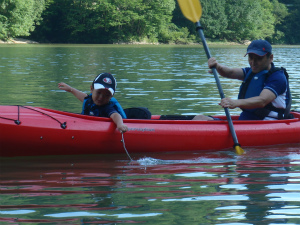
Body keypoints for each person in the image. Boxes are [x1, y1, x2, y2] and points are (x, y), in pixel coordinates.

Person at [193, 39, 291, 121]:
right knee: (199, 118)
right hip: (247, 121)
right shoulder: (251, 72)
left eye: (258, 58)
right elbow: (230, 72)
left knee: (200, 120)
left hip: (267, 123)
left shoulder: (278, 78)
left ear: (270, 58)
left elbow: (262, 100)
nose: (253, 62)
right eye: (250, 58)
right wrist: (217, 66)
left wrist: (235, 103)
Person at [58, 72, 128, 133]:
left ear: (111, 96)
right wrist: (70, 89)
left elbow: (115, 115)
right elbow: (83, 97)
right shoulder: (90, 100)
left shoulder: (107, 107)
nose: (101, 97)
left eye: (106, 95)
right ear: (91, 89)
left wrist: (120, 125)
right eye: (98, 92)